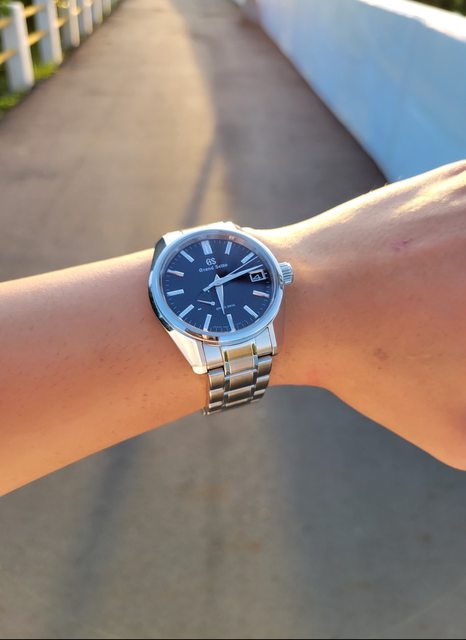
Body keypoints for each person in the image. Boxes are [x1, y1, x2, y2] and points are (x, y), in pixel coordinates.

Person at [1, 160, 466, 496]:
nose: (219, 282)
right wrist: (323, 302)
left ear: (281, 274)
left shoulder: (266, 279)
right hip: (212, 326)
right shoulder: (206, 301)